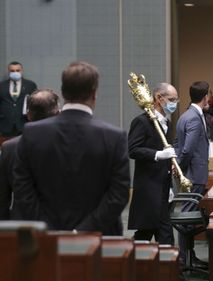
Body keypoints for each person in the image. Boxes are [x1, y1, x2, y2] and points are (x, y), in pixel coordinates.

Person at [13, 61, 130, 235]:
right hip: (98, 240)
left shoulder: (32, 133)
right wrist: (82, 231)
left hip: (44, 240)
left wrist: (50, 230)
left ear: (63, 92)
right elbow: (118, 195)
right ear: (94, 93)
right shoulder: (114, 137)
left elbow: (22, 190)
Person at [127, 83, 178, 245]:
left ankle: (132, 263)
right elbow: (133, 150)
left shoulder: (167, 123)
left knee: (149, 232)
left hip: (163, 187)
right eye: (171, 99)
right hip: (149, 187)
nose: (174, 103)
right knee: (162, 234)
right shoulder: (142, 122)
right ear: (158, 98)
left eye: (176, 100)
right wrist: (158, 154)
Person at [0, 89, 60, 220]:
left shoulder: (9, 148)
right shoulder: (66, 145)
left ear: (28, 115)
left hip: (21, 226)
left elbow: (3, 199)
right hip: (60, 225)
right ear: (58, 113)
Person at [175, 81, 210, 266]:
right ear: (205, 97)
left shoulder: (185, 115)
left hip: (190, 173)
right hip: (193, 174)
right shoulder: (195, 118)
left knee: (187, 216)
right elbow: (187, 150)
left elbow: (176, 143)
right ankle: (183, 258)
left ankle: (188, 255)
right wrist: (180, 167)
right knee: (187, 217)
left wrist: (177, 164)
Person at [0, 61, 38, 143]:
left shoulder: (30, 85)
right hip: (5, 125)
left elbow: (34, 104)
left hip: (24, 124)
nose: (15, 72)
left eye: (17, 70)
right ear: (8, 71)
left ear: (22, 71)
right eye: (12, 71)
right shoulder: (1, 85)